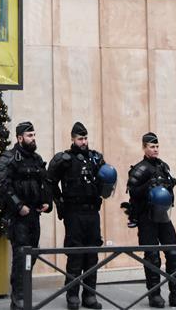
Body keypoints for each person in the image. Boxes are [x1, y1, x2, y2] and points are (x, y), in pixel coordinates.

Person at [48, 122, 108, 310]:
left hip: (92, 212)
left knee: (92, 255)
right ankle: (72, 296)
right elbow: (49, 181)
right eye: (80, 139)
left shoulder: (96, 158)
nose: (84, 142)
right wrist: (59, 202)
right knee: (75, 255)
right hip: (74, 213)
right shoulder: (64, 160)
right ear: (73, 139)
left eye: (85, 138)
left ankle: (89, 295)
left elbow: (106, 180)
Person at [126, 132, 176, 309]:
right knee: (152, 257)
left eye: (157, 146)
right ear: (144, 148)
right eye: (152, 147)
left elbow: (169, 192)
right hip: (147, 218)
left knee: (173, 254)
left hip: (163, 216)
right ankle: (154, 295)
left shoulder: (164, 166)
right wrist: (148, 185)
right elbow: (133, 193)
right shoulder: (139, 168)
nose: (155, 150)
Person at [0, 121, 52, 310]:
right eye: (29, 135)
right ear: (20, 138)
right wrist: (18, 205)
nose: (33, 138)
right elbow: (3, 184)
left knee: (32, 253)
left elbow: (43, 182)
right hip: (18, 216)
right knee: (21, 255)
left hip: (33, 216)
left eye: (34, 135)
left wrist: (46, 202)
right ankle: (18, 296)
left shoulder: (36, 158)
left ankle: (23, 294)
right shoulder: (9, 158)